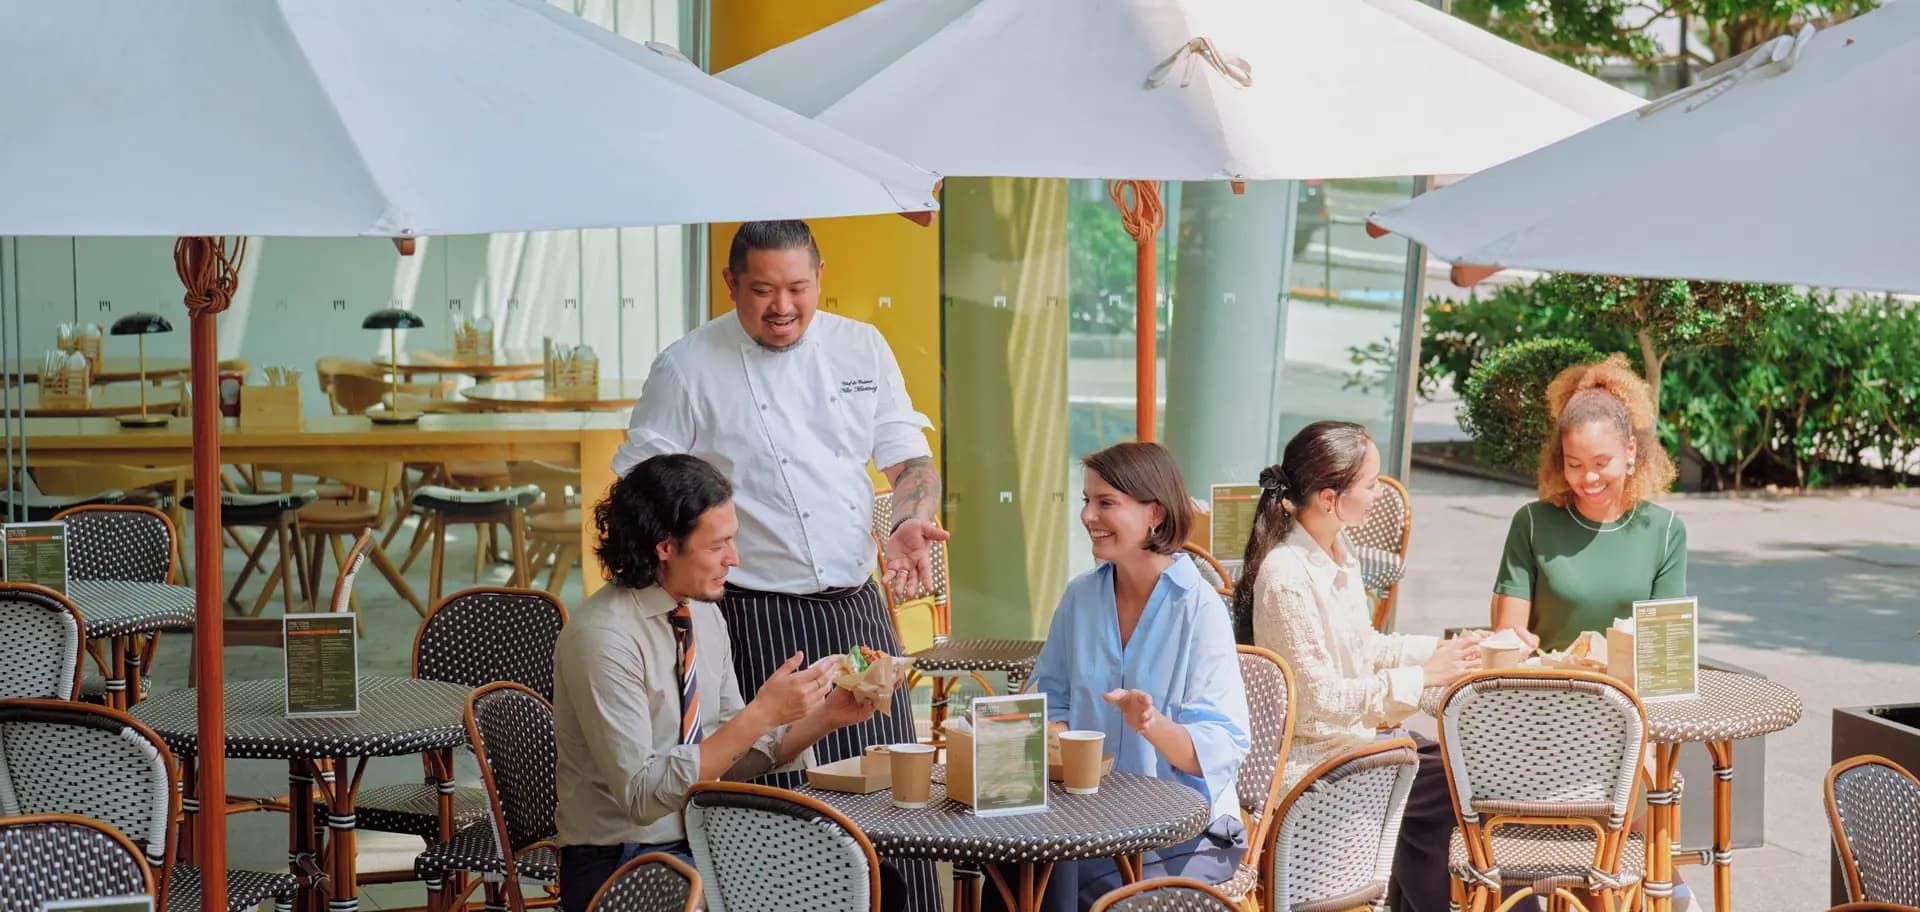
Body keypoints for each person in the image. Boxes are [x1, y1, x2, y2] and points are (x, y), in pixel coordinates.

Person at [613, 220, 945, 908]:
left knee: (896, 800)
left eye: (798, 287)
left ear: (820, 275)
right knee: (782, 815)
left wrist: (908, 519)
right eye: (763, 290)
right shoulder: (686, 367)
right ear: (730, 283)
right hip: (750, 616)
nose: (783, 306)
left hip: (858, 608)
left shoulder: (860, 345)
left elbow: (908, 456)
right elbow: (639, 490)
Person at [553, 454, 893, 912]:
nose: (734, 559)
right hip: (622, 859)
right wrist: (761, 714)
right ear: (665, 546)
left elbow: (724, 762)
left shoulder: (702, 615)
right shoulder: (603, 637)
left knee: (873, 880)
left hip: (704, 838)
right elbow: (641, 796)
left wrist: (824, 717)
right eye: (719, 545)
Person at [1234, 420, 1482, 912]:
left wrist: (1444, 650)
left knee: (1451, 778)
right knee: (1458, 782)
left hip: (1354, 743)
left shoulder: (1337, 552)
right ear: (1329, 498)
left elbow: (1363, 646)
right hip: (1317, 763)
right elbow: (1318, 702)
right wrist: (1423, 676)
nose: (1379, 494)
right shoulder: (1286, 577)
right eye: (1370, 484)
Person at [1010, 442, 1251, 912]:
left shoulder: (1199, 608)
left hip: (1187, 831)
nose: (1088, 516)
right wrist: (1053, 730)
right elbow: (1048, 698)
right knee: (1014, 870)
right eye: (1086, 500)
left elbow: (1220, 747)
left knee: (1063, 884)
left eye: (1106, 503)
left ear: (1154, 514)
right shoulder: (1080, 597)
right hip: (1087, 821)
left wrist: (1151, 724)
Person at [1491, 354, 1687, 653]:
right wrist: (1514, 644)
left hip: (1628, 683)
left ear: (1630, 450)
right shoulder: (1531, 524)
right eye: (1575, 464)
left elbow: (1665, 652)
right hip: (1543, 681)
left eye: (1601, 462)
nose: (1589, 478)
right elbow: (1507, 640)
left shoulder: (1666, 531)